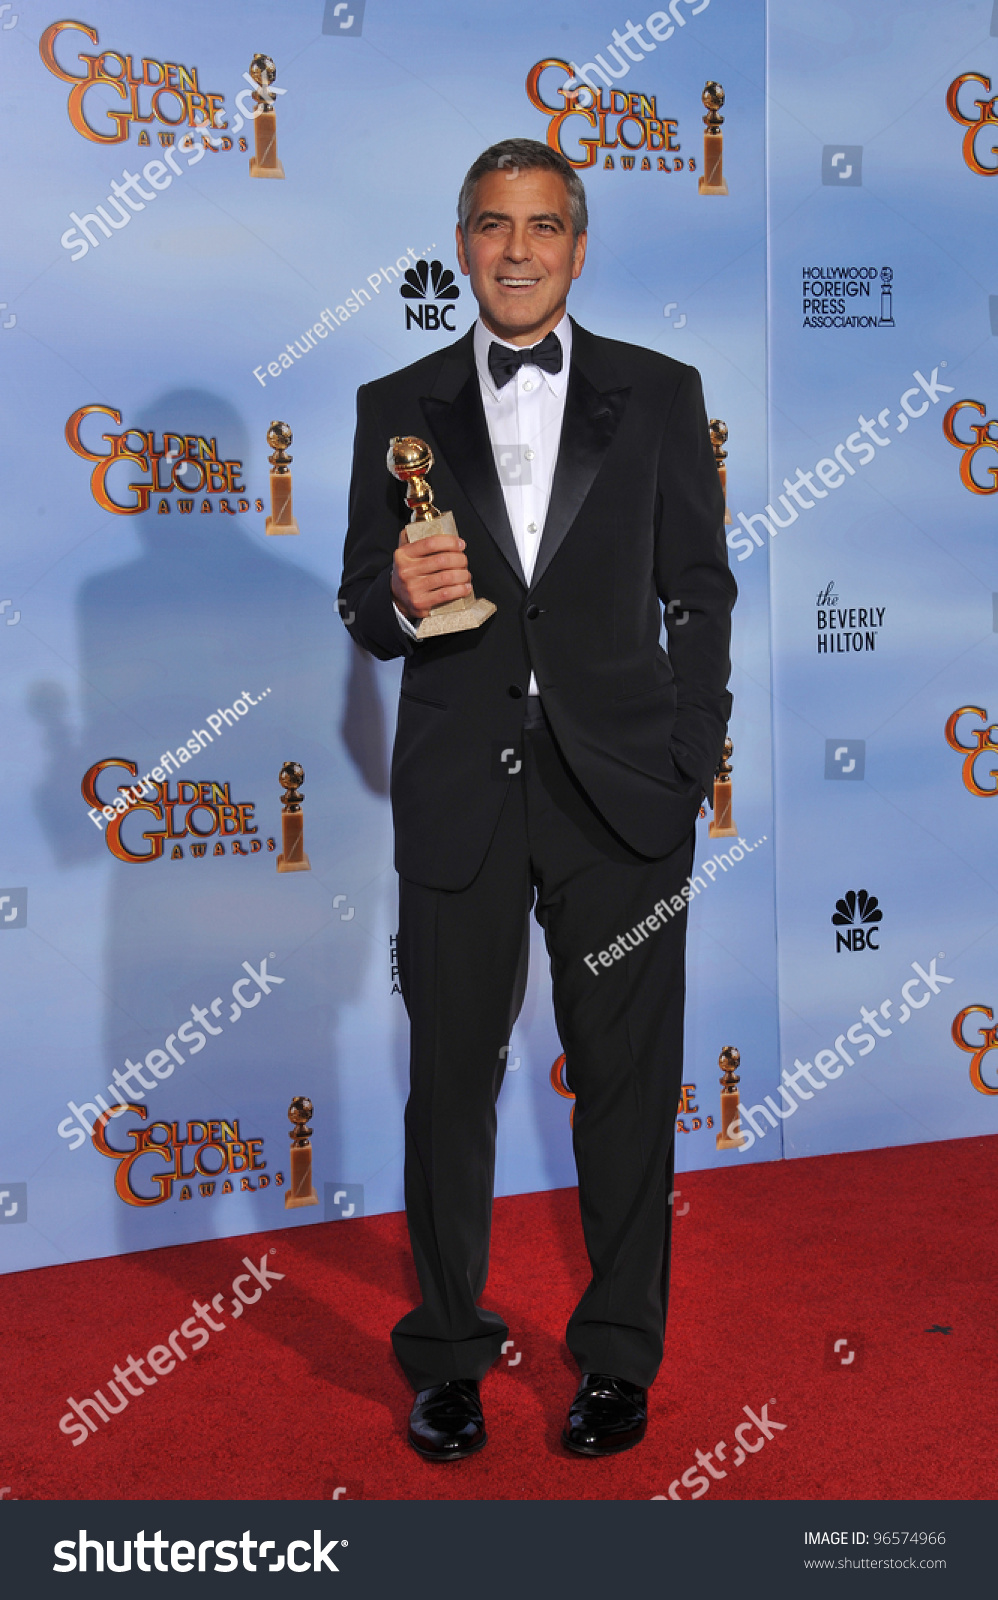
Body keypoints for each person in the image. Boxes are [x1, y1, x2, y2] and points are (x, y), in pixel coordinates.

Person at [339, 137, 736, 1461]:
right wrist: (395, 600)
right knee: (449, 1081)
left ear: (578, 245)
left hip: (621, 793)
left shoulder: (661, 393)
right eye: (493, 225)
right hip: (460, 788)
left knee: (625, 1082)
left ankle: (617, 1354)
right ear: (459, 241)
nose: (517, 250)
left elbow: (700, 591)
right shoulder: (391, 401)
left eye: (545, 226)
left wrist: (689, 760)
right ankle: (446, 1355)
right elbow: (363, 601)